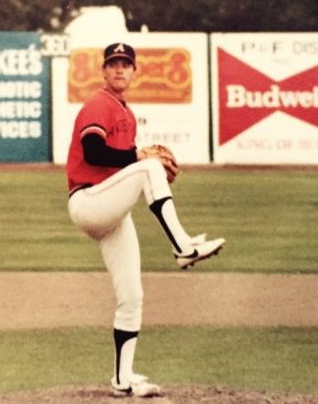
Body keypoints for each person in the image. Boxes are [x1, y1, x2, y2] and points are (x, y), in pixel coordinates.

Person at [66, 42, 225, 397]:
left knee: (132, 295)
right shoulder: (99, 104)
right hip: (88, 200)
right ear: (103, 72)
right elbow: (93, 150)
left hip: (109, 210)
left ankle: (122, 379)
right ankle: (182, 246)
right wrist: (138, 157)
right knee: (150, 165)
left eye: (125, 64)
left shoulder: (128, 113)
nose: (119, 69)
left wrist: (135, 159)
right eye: (113, 64)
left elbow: (120, 163)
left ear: (135, 71)